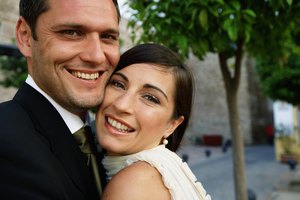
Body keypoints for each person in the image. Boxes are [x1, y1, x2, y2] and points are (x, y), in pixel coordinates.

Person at [0, 0, 120, 199]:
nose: (97, 56)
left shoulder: (111, 139)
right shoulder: (6, 144)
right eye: (72, 32)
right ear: (26, 37)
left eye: (107, 37)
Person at [96, 43, 212, 200]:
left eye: (150, 98)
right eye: (118, 84)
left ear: (173, 125)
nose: (122, 105)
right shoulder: (160, 170)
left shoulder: (134, 184)